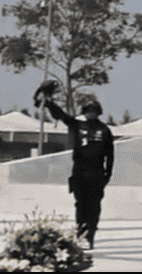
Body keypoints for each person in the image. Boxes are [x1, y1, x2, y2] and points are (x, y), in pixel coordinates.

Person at [33, 80, 113, 250]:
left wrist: (108, 174)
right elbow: (62, 115)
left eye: (94, 111)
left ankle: (90, 234)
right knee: (80, 204)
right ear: (84, 112)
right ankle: (80, 232)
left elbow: (110, 154)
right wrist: (48, 102)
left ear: (98, 112)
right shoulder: (77, 125)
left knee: (94, 205)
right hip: (79, 172)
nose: (91, 113)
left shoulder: (105, 130)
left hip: (97, 173)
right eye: (88, 110)